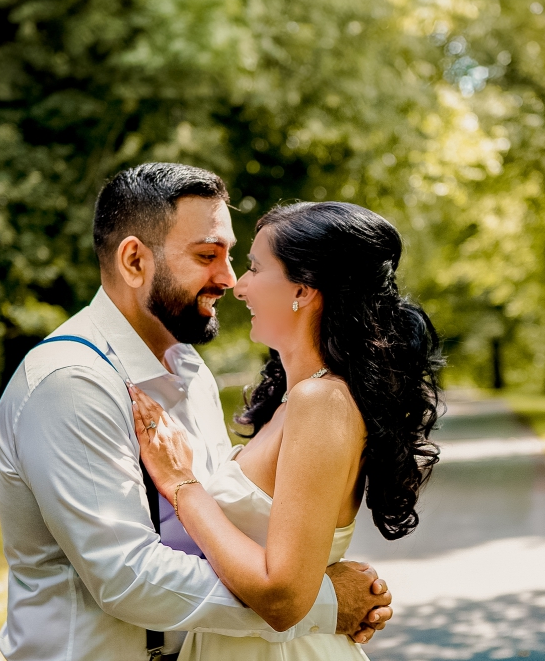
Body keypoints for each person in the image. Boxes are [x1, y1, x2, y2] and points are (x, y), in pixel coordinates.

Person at [0, 163, 395, 661]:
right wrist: (321, 603)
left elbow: (234, 530)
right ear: (135, 261)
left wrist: (299, 577)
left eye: (236, 258)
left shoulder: (191, 373)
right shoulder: (71, 382)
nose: (229, 280)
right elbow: (127, 576)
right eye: (208, 255)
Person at [131, 194, 441, 661]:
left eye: (255, 268)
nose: (239, 286)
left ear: (303, 290)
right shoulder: (297, 400)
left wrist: (182, 485)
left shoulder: (322, 402)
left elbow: (285, 598)